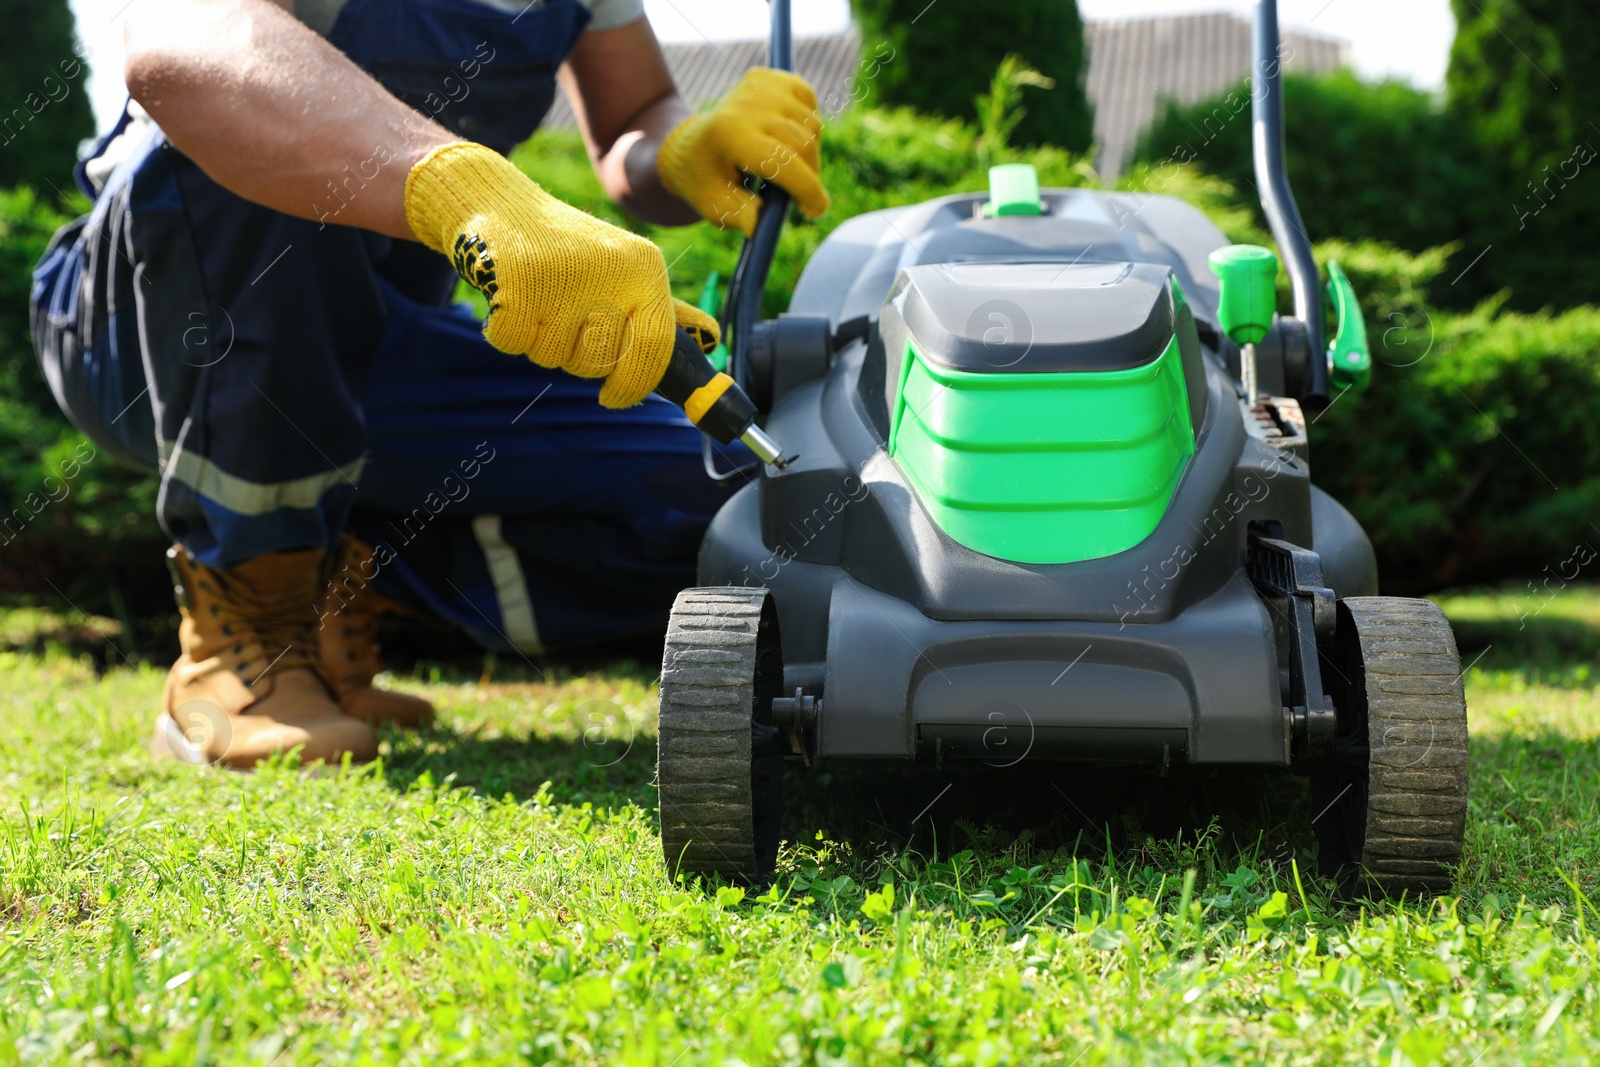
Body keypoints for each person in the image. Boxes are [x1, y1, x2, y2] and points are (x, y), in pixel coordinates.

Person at [30, 0, 828, 768]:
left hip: (378, 343)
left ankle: (336, 577)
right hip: (153, 322)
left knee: (716, 498)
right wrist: (462, 186)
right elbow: (186, 44)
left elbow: (634, 116)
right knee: (250, 141)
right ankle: (242, 637)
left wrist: (681, 146)